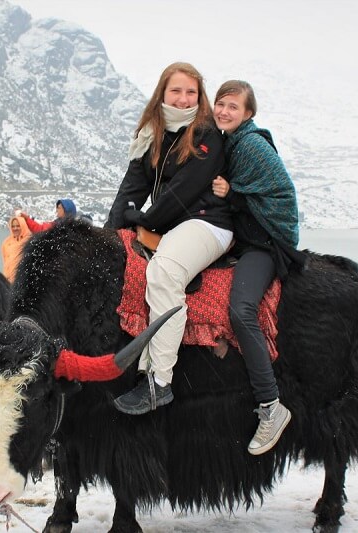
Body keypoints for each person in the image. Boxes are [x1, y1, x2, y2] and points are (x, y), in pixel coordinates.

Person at [105, 62, 233, 415]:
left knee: (164, 273)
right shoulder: (151, 133)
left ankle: (158, 381)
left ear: (200, 96)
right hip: (169, 223)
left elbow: (183, 191)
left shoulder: (206, 133)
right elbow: (132, 187)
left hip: (208, 223)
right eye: (176, 91)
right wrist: (108, 235)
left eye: (191, 92)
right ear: (162, 93)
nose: (183, 99)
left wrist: (143, 219)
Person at [211, 80, 306, 455]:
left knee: (241, 308)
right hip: (244, 239)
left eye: (234, 106)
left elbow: (277, 199)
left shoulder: (249, 145)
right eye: (220, 103)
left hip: (265, 243)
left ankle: (271, 405)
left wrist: (232, 194)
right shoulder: (231, 143)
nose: (225, 111)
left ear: (248, 114)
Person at [0, 214, 32, 281]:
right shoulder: (6, 242)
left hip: (24, 280)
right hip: (8, 280)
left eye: (18, 226)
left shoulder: (29, 241)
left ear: (23, 226)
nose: (15, 228)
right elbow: (5, 261)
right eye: (13, 226)